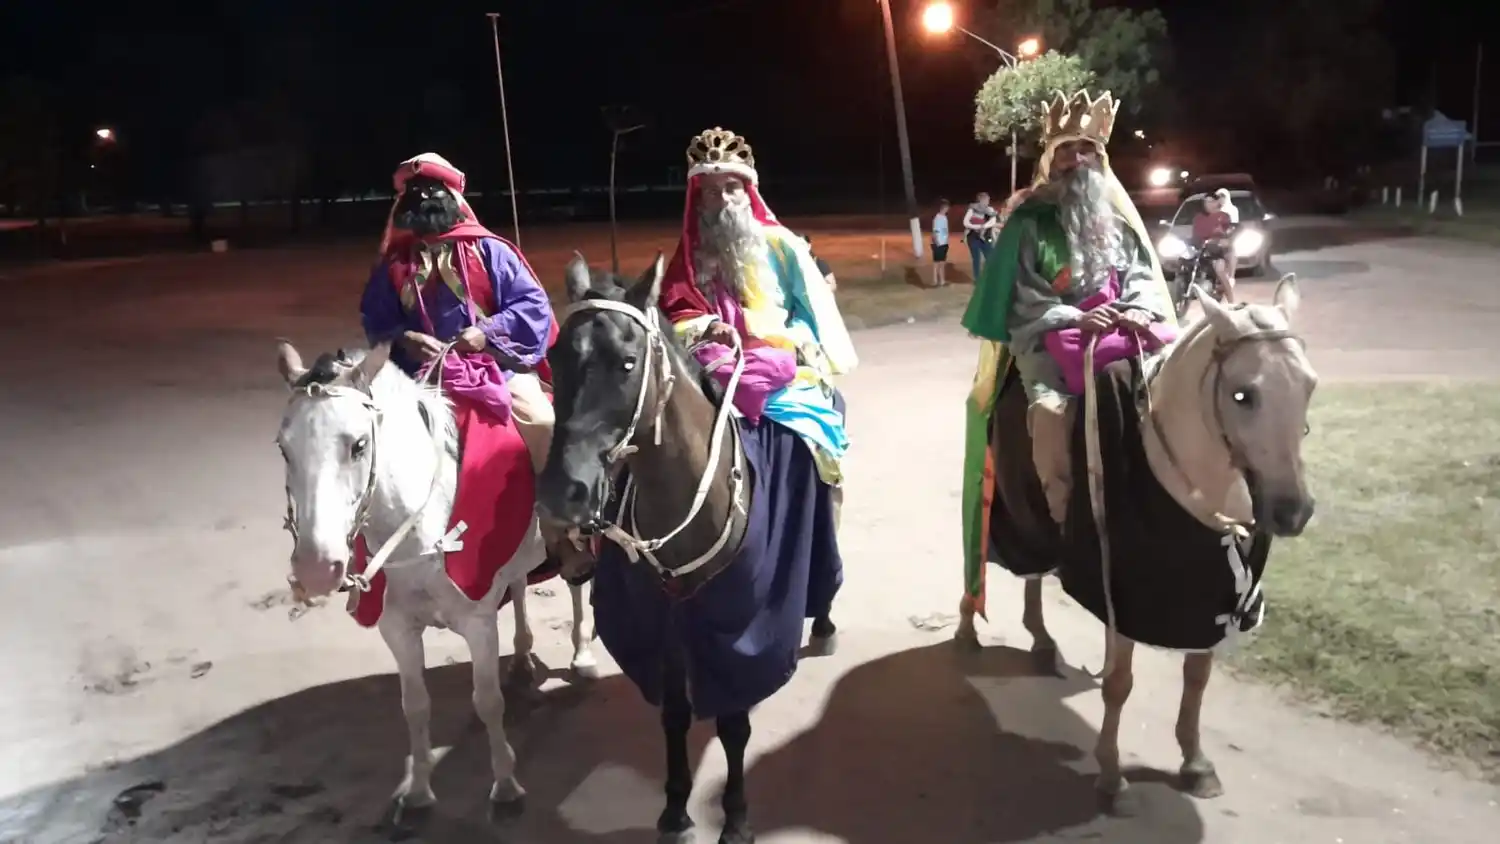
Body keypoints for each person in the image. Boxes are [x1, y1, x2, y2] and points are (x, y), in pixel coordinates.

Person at [959, 89, 1176, 535]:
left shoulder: (1116, 220)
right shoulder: (1028, 223)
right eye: (1067, 150)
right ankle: (1066, 520)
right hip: (1050, 342)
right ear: (1050, 158)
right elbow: (1024, 299)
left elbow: (1140, 274)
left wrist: (1137, 309)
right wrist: (1075, 318)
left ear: (1101, 158)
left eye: (1087, 149)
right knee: (1051, 414)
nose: (1077, 159)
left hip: (1119, 331)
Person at [659, 126, 858, 492]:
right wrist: (707, 327)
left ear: (748, 192)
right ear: (700, 202)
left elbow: (812, 313)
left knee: (808, 442)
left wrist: (783, 341)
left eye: (732, 188)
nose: (724, 199)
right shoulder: (690, 256)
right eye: (712, 192)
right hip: (714, 364)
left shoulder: (783, 246)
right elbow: (674, 312)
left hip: (781, 363)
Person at [359, 152, 557, 475]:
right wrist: (403, 338)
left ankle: (548, 514)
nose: (425, 198)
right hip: (418, 375)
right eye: (416, 192)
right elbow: (374, 318)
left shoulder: (489, 250)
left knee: (541, 420)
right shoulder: (395, 264)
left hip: (493, 367)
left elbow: (532, 305)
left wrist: (486, 331)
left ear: (452, 197)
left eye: (433, 189)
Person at [1191, 188, 1237, 303]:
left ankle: (1231, 301)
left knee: (1220, 269)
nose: (1209, 204)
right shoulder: (1198, 218)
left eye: (1212, 201)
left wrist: (1224, 239)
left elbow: (1229, 232)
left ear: (1217, 202)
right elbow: (1196, 235)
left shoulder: (1224, 216)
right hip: (1202, 250)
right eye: (1207, 202)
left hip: (1217, 252)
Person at [963, 192, 999, 281]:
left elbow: (993, 222)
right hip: (973, 237)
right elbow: (965, 223)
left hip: (987, 237)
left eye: (988, 200)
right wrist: (977, 227)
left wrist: (983, 227)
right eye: (986, 199)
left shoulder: (990, 210)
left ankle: (990, 276)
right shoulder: (972, 209)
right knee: (976, 259)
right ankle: (977, 279)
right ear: (980, 200)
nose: (988, 202)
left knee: (990, 257)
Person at [931, 198, 951, 287]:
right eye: (947, 207)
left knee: (941, 263)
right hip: (939, 243)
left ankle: (942, 281)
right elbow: (934, 232)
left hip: (944, 243)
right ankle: (936, 281)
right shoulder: (937, 218)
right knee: (937, 263)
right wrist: (937, 243)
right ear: (944, 207)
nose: (948, 209)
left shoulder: (944, 217)